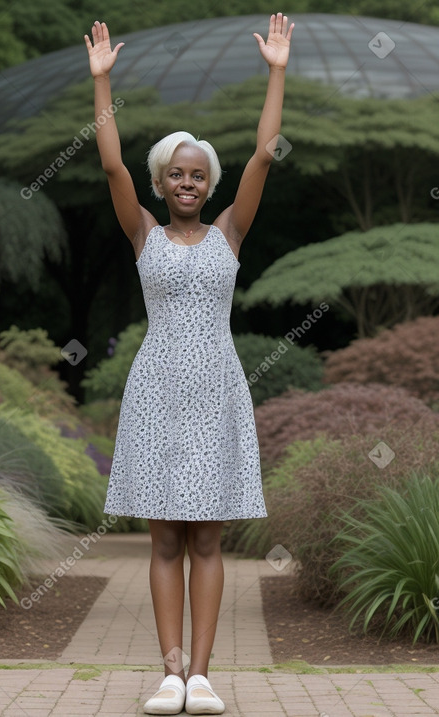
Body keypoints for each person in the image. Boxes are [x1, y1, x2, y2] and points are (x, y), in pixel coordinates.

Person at [84, 12, 294, 715]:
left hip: (216, 392)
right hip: (155, 392)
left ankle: (201, 675)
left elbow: (266, 152)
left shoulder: (231, 233)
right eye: (175, 173)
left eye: (197, 174)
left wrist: (277, 71)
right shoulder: (142, 231)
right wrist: (103, 83)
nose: (186, 182)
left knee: (208, 535)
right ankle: (169, 672)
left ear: (209, 183)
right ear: (161, 181)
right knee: (164, 535)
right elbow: (110, 162)